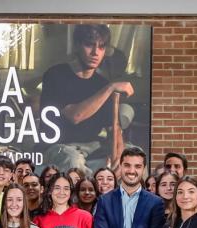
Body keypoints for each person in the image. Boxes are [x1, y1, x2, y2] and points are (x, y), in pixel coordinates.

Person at [40, 24, 134, 172]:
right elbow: (75, 116)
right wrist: (110, 88)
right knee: (73, 161)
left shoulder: (101, 83)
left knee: (134, 155)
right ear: (77, 46)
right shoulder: (56, 75)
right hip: (60, 145)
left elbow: (114, 129)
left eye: (102, 47)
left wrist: (119, 155)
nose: (96, 52)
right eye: (89, 45)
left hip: (93, 146)